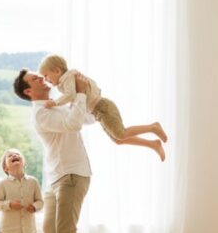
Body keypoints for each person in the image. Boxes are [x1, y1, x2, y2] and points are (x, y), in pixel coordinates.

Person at [13, 69, 92, 233]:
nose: (41, 78)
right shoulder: (41, 113)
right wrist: (77, 96)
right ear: (28, 91)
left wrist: (82, 93)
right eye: (35, 79)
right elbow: (73, 123)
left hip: (73, 174)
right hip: (56, 177)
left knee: (66, 231)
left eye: (40, 75)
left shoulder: (56, 102)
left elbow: (85, 119)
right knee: (50, 230)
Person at [38, 54, 167, 161]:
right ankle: (153, 144)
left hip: (103, 107)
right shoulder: (67, 80)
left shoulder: (67, 79)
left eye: (46, 75)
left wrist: (54, 103)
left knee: (120, 134)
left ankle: (153, 127)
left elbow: (70, 94)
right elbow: (75, 98)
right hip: (98, 112)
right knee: (118, 140)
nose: (45, 80)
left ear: (57, 71)